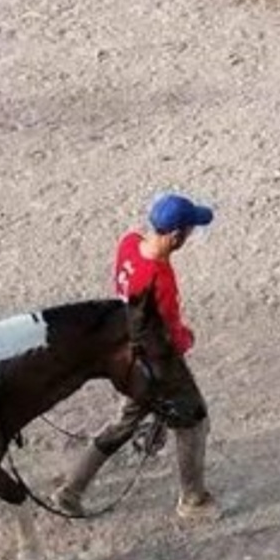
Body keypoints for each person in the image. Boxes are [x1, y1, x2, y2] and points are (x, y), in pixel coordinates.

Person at [52, 192, 217, 519]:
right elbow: (171, 332)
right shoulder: (161, 277)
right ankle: (193, 500)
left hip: (125, 353)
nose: (190, 235)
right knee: (194, 422)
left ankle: (71, 489)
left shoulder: (128, 244)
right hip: (155, 363)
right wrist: (186, 338)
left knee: (123, 423)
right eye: (189, 230)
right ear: (175, 236)